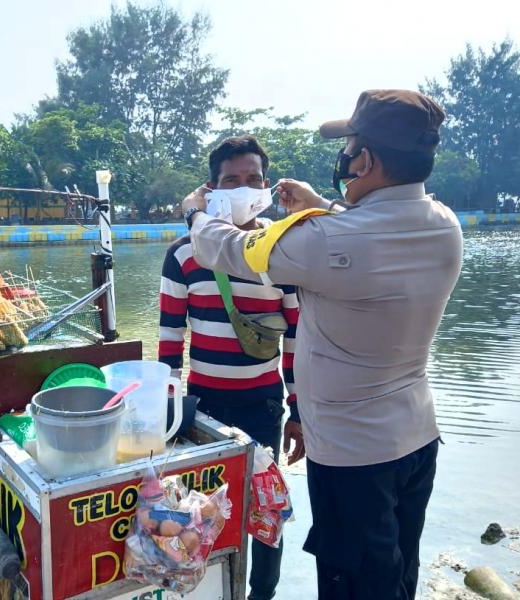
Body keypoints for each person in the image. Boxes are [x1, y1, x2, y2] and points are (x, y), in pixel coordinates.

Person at [182, 90, 463, 599]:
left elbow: (228, 248)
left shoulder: (327, 241)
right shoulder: (444, 225)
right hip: (417, 439)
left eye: (351, 147)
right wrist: (325, 206)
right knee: (398, 573)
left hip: (354, 456)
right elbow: (367, 240)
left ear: (367, 160)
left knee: (355, 584)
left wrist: (196, 215)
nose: (346, 158)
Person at [159, 135, 303, 600]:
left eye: (253, 179)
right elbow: (169, 343)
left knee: (265, 508)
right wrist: (168, 411)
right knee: (203, 511)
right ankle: (210, 589)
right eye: (231, 181)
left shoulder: (283, 252)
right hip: (205, 408)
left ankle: (263, 594)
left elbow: (297, 341)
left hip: (263, 404)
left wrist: (298, 411)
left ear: (265, 186)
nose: (243, 188)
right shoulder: (184, 254)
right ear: (211, 190)